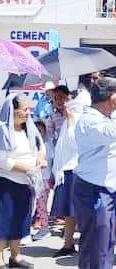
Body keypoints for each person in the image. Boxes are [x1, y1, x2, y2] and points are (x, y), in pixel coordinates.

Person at [73, 77, 116, 269]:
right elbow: (114, 133)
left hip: (105, 188)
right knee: (97, 243)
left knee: (104, 242)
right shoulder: (91, 120)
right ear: (111, 97)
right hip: (94, 189)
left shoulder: (101, 119)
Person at [0, 94, 47, 269]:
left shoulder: (29, 129)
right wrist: (27, 169)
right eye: (24, 109)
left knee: (20, 220)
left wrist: (40, 159)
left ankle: (15, 256)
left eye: (29, 109)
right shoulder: (2, 131)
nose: (28, 113)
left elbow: (40, 146)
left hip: (26, 183)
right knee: (4, 222)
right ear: (12, 110)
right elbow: (3, 160)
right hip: (7, 183)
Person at [50, 86, 81, 258]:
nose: (60, 102)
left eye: (63, 98)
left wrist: (70, 120)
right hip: (65, 169)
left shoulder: (78, 119)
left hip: (77, 169)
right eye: (56, 98)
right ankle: (68, 244)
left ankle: (84, 242)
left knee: (78, 209)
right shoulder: (59, 119)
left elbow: (75, 143)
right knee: (69, 210)